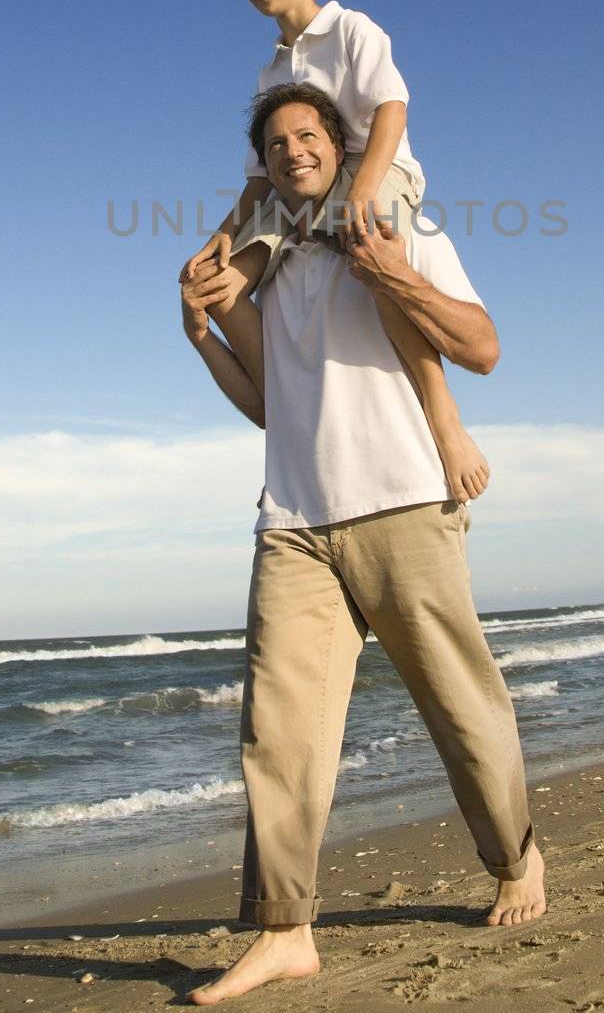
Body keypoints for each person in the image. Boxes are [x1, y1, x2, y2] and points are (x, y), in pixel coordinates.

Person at [179, 83, 545, 1005]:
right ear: (263, 168)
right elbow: (268, 404)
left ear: (340, 146)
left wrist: (390, 274)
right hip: (295, 524)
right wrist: (204, 338)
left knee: (462, 709)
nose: (295, 149)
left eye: (309, 134)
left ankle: (514, 858)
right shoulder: (273, 272)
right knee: (278, 730)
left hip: (404, 505)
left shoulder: (400, 232)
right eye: (277, 142)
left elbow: (485, 347)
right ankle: (285, 930)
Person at [179, 0, 488, 505]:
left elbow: (391, 110)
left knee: (371, 257)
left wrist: (363, 192)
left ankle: (444, 419)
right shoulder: (271, 70)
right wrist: (219, 238)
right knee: (214, 286)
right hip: (295, 191)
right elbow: (256, 180)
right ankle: (287, 416)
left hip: (372, 167)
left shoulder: (351, 29)